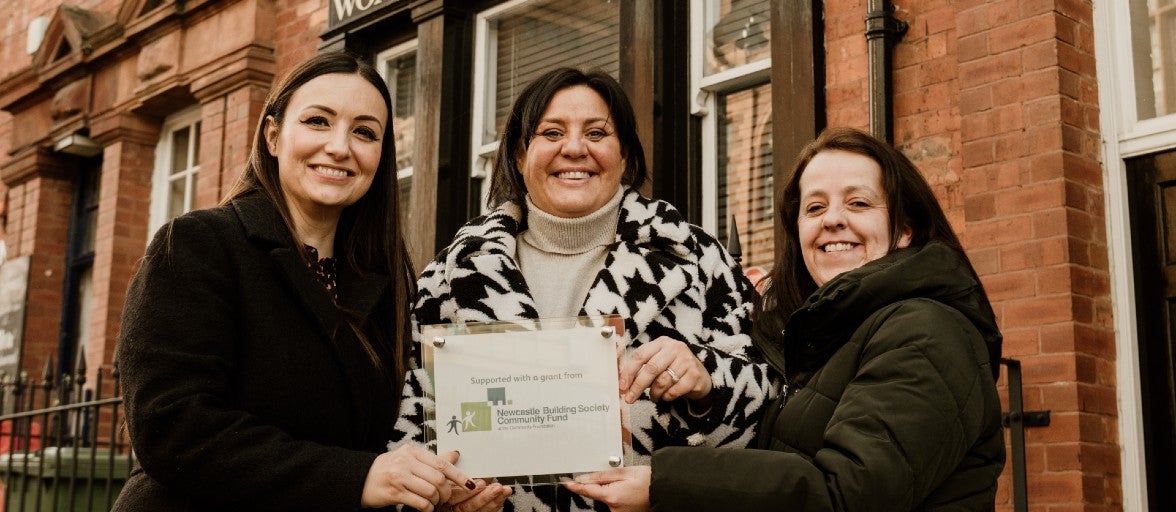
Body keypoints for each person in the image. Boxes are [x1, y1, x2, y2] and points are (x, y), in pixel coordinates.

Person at [114, 51, 506, 512]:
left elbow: (387, 446)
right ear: (274, 135)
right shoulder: (200, 244)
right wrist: (361, 477)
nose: (340, 146)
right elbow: (171, 427)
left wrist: (432, 490)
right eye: (318, 121)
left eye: (364, 132)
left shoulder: (385, 284)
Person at [564, 127, 1006, 511]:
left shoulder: (924, 331)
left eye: (858, 203)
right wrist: (707, 388)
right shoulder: (821, 337)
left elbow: (847, 496)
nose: (832, 219)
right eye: (814, 208)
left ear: (905, 229)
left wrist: (665, 483)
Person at [392, 68, 774, 512]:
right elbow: (408, 433)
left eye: (597, 132)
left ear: (625, 155)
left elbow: (766, 422)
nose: (574, 149)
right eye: (551, 132)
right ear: (520, 155)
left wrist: (707, 382)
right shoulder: (450, 276)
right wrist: (441, 499)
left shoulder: (697, 259)